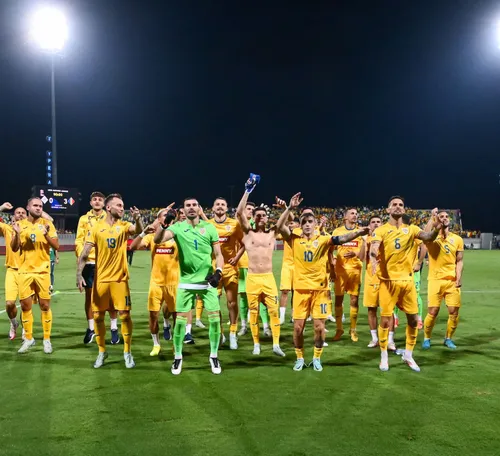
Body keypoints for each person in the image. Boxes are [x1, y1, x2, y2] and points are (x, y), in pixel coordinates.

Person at [277, 193, 368, 371]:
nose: (307, 225)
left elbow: (342, 239)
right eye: (304, 222)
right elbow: (280, 226)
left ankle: (317, 358)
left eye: (310, 222)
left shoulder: (323, 239)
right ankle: (300, 358)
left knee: (319, 327)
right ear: (301, 225)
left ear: (315, 224)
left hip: (320, 291)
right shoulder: (294, 239)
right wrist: (289, 208)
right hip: (301, 291)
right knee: (297, 328)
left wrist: (358, 232)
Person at [153, 197, 224, 375]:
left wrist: (219, 272)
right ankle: (177, 358)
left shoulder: (209, 228)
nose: (191, 208)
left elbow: (218, 254)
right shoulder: (177, 227)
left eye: (194, 205)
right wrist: (164, 224)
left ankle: (214, 356)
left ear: (199, 208)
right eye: (187, 206)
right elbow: (157, 240)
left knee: (215, 320)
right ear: (183, 210)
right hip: (185, 282)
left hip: (207, 281)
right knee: (180, 324)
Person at [370, 196, 440, 372]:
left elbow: (429, 237)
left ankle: (408, 355)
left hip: (407, 282)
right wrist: (373, 260)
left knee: (414, 319)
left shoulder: (412, 229)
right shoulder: (381, 230)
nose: (398, 207)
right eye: (394, 204)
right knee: (386, 321)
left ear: (404, 209)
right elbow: (374, 248)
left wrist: (437, 227)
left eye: (401, 204)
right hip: (388, 283)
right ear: (388, 209)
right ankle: (384, 356)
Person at [77, 194, 143, 369]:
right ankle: (101, 351)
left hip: (120, 280)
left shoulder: (124, 225)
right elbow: (84, 254)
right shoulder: (96, 228)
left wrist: (137, 219)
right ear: (109, 208)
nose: (122, 208)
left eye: (123, 205)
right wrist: (79, 275)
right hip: (101, 279)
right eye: (119, 205)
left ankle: (127, 352)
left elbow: (137, 230)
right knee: (98, 316)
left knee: (125, 315)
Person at [236, 176, 285, 357]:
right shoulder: (248, 233)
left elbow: (282, 222)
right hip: (253, 278)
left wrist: (287, 208)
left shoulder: (273, 233)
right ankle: (256, 344)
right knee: (254, 312)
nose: (260, 217)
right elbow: (240, 213)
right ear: (254, 218)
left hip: (268, 277)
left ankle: (276, 344)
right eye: (257, 215)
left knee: (273, 311)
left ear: (267, 217)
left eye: (263, 215)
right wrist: (247, 191)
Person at [11, 197, 59, 354]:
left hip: (43, 271)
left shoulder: (47, 224)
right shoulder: (20, 225)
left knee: (45, 305)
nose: (38, 208)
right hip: (25, 271)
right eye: (35, 205)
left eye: (41, 206)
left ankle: (47, 339)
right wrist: (17, 234)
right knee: (25, 306)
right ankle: (29, 338)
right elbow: (14, 248)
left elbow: (56, 245)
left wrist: (46, 236)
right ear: (28, 207)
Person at [129, 206, 178, 355]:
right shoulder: (151, 237)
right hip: (156, 282)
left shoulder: (178, 234)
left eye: (168, 215)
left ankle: (176, 343)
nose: (166, 217)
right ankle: (156, 344)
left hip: (174, 283)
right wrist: (144, 232)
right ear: (158, 219)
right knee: (153, 314)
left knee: (177, 315)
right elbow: (133, 246)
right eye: (163, 215)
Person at [75, 191, 119, 345]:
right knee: (90, 297)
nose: (97, 201)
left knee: (111, 297)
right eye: (95, 199)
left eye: (100, 199)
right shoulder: (83, 219)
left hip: (106, 263)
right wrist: (81, 259)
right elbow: (79, 240)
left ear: (104, 203)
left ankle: (113, 328)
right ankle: (91, 328)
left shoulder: (109, 216)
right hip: (90, 262)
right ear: (90, 202)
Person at [205, 197, 245, 349]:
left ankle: (233, 333)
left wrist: (237, 257)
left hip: (229, 269)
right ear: (213, 208)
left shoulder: (234, 224)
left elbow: (244, 243)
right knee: (214, 303)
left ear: (227, 208)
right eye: (217, 204)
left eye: (223, 204)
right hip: (213, 270)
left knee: (232, 302)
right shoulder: (207, 225)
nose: (220, 207)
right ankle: (220, 332)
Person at [422, 210, 464, 350]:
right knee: (432, 311)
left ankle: (448, 339)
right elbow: (425, 236)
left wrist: (458, 277)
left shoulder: (457, 239)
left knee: (454, 311)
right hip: (435, 280)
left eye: (447, 216)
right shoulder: (432, 237)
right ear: (438, 220)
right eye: (442, 216)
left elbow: (459, 261)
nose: (445, 218)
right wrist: (433, 220)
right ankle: (427, 338)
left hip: (452, 281)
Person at [332, 208, 363, 342]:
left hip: (355, 270)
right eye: (352, 213)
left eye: (356, 214)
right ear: (345, 217)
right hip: (340, 271)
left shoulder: (361, 232)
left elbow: (363, 253)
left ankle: (353, 329)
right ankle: (339, 329)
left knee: (354, 301)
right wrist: (332, 262)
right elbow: (329, 249)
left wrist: (356, 254)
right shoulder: (337, 232)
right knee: (338, 301)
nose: (355, 215)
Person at [394, 214, 427, 329]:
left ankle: (419, 319)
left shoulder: (413, 231)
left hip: (412, 270)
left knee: (416, 294)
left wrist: (419, 262)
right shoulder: (394, 232)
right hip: (397, 270)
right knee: (396, 295)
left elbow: (424, 245)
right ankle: (395, 318)